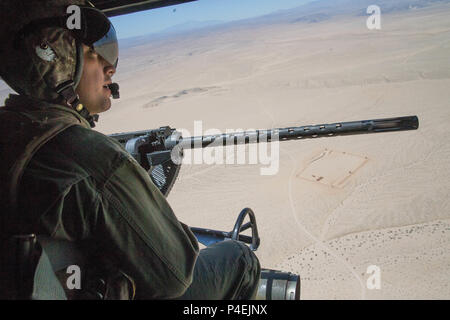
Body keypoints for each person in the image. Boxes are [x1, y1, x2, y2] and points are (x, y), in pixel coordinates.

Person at [0, 0, 260, 300]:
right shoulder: (89, 156)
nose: (111, 67)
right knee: (240, 259)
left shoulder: (16, 135)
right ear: (58, 60)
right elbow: (174, 272)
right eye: (96, 55)